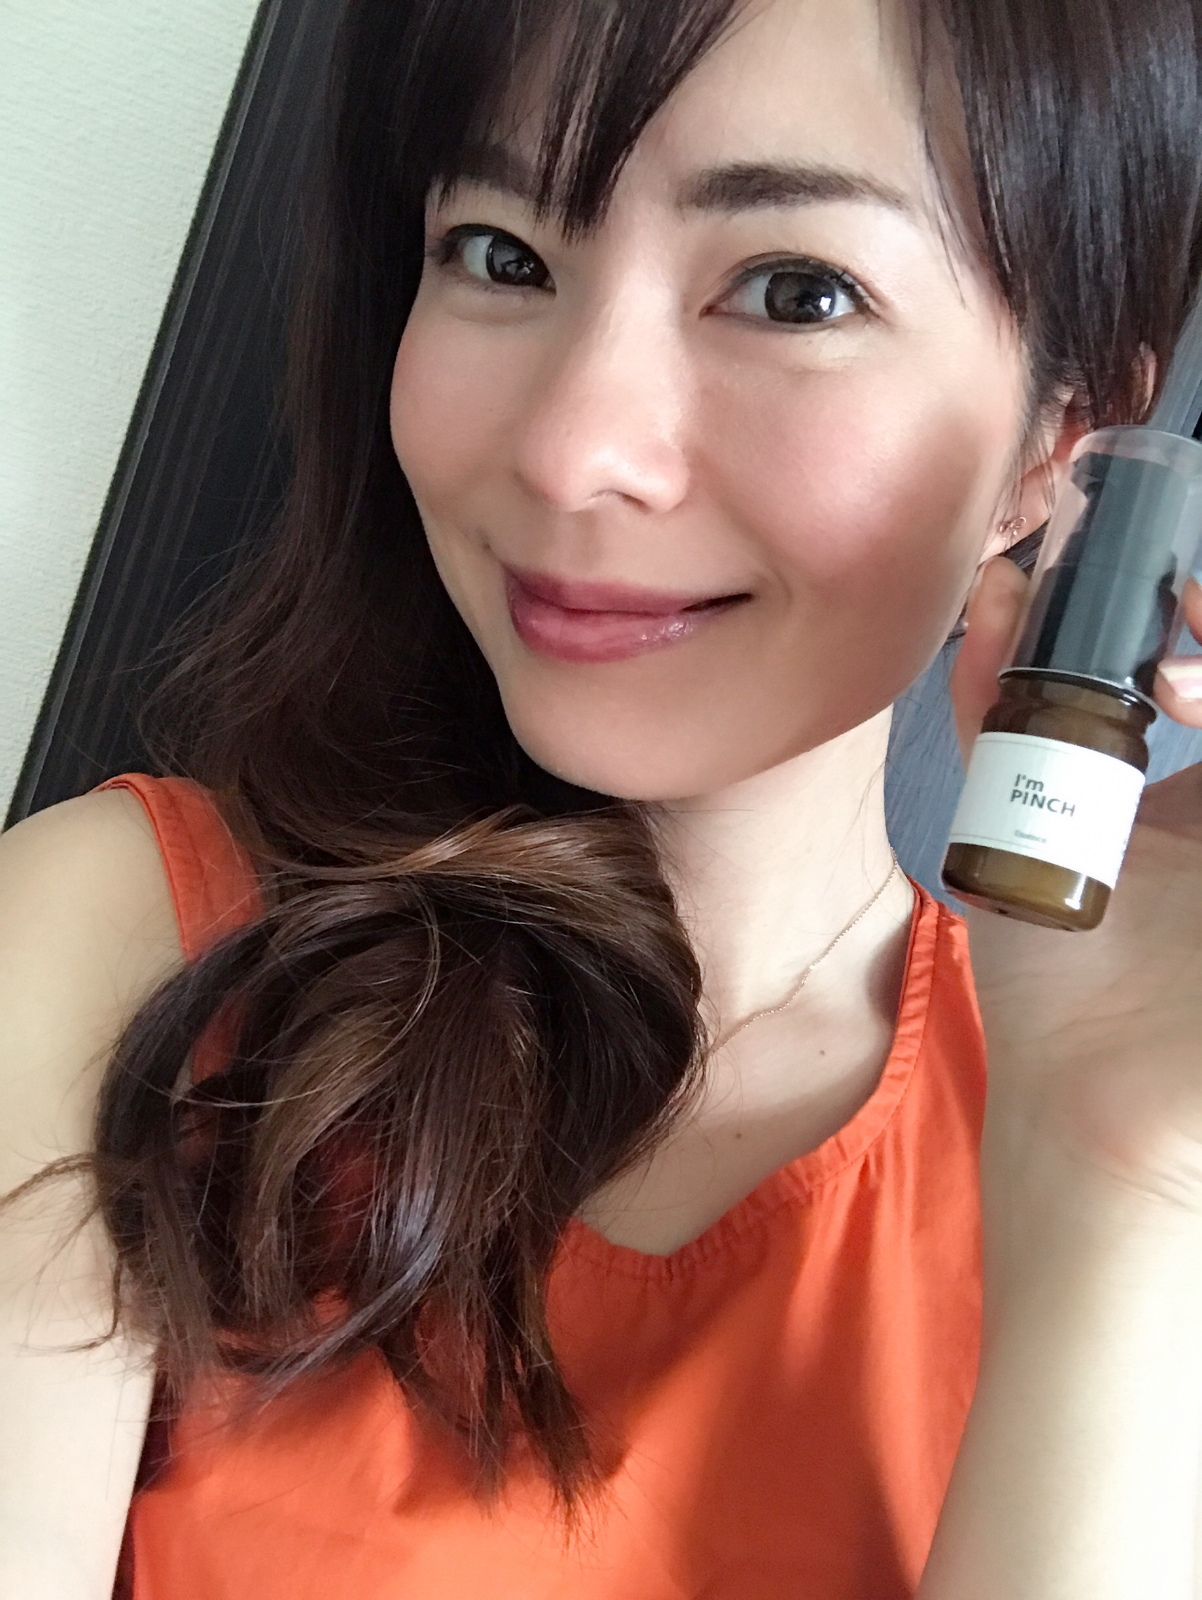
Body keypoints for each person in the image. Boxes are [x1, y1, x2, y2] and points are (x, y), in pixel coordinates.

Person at [3, 0, 1202, 1594]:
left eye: (794, 291)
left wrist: (1116, 1184)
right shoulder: (126, 949)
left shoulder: (1132, 1145)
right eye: (499, 254)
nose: (572, 452)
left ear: (1057, 447)